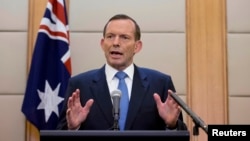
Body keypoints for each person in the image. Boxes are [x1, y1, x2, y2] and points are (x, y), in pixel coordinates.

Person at [56, 14, 188, 131]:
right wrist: (73, 128)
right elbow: (59, 132)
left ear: (137, 46)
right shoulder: (80, 85)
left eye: (124, 37)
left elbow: (182, 134)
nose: (116, 42)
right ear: (102, 44)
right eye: (110, 36)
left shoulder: (160, 84)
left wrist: (172, 126)